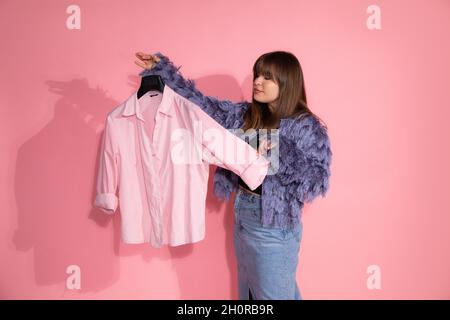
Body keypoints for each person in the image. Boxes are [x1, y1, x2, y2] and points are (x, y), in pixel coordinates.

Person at [134, 51, 332, 300]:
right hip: (242, 215)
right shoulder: (246, 115)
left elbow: (317, 180)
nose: (257, 81)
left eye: (267, 77)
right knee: (251, 297)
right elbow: (202, 106)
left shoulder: (307, 126)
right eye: (257, 74)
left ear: (287, 81)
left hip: (274, 226)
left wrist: (278, 149)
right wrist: (163, 70)